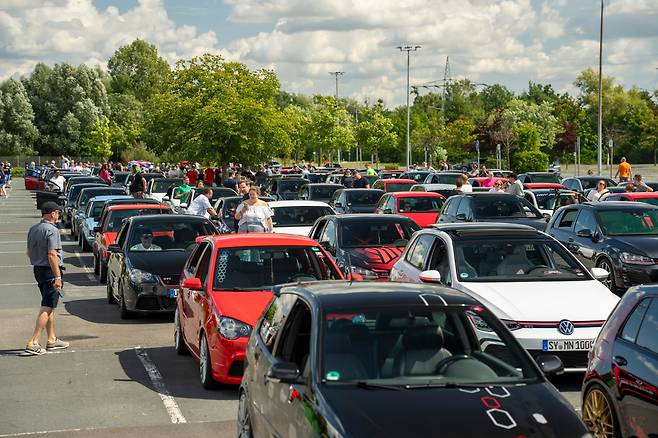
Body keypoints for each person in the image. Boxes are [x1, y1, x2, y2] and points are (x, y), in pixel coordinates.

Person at [24, 202, 69, 355]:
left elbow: (29, 252)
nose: (59, 215)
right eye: (58, 213)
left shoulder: (33, 229)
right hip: (50, 271)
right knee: (47, 306)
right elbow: (52, 254)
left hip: (38, 269)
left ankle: (51, 339)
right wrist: (57, 276)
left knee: (49, 304)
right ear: (52, 213)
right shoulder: (52, 230)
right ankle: (33, 341)